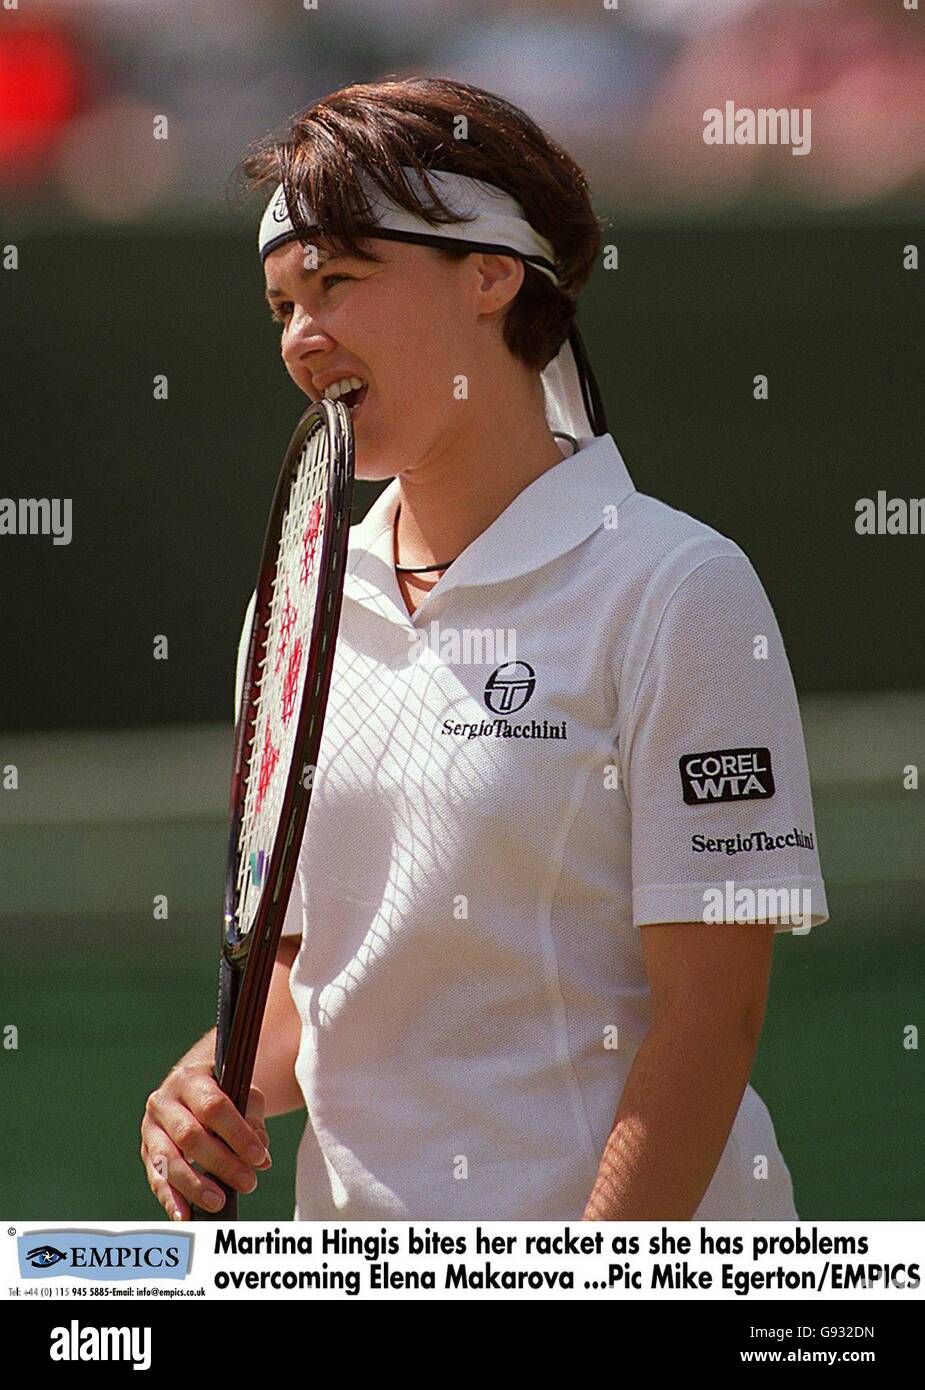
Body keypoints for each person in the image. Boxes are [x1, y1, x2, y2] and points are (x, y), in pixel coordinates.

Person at [141, 76, 828, 1222]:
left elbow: (711, 1017)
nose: (303, 338)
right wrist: (208, 1083)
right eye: (279, 307)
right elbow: (328, 983)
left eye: (338, 283)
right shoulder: (293, 606)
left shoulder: (680, 586)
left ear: (492, 276)